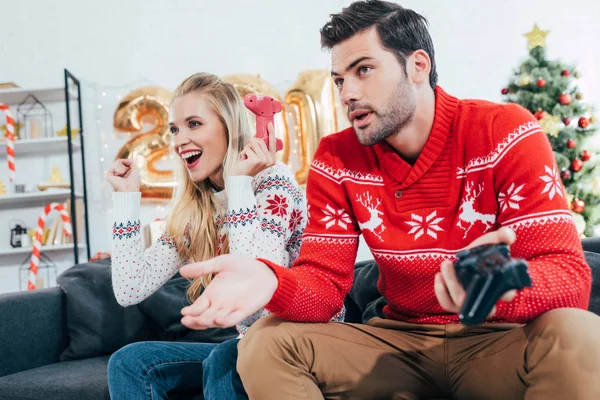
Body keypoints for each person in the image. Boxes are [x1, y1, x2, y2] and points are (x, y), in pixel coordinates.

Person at [177, 2, 600, 399]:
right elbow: (323, 289)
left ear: (417, 66)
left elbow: (570, 278)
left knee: (579, 332)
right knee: (266, 342)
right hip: (399, 344)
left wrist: (506, 285)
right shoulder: (336, 157)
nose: (346, 94)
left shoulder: (504, 130)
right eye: (340, 79)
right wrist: (270, 280)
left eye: (363, 70)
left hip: (499, 339)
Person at [104, 72, 309, 400]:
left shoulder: (274, 181)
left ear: (229, 128)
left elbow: (255, 282)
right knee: (129, 362)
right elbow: (129, 289)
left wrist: (239, 183)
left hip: (303, 338)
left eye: (194, 124)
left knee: (225, 359)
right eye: (175, 129)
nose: (179, 140)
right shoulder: (196, 210)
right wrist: (127, 198)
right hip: (250, 343)